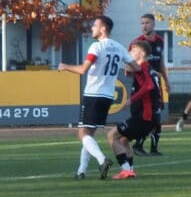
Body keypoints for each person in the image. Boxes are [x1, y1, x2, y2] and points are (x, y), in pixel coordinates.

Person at [58, 16, 139, 180]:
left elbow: (83, 69)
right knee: (89, 133)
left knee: (82, 134)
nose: (92, 28)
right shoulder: (119, 47)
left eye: (94, 25)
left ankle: (102, 160)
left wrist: (64, 66)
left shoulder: (96, 46)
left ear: (103, 29)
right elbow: (136, 67)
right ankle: (82, 171)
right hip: (108, 96)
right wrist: (124, 68)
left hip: (94, 94)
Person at [108, 41, 162, 179]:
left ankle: (125, 169)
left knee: (112, 136)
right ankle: (130, 170)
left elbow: (149, 86)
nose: (130, 53)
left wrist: (132, 99)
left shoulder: (143, 67)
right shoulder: (146, 68)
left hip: (145, 116)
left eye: (133, 51)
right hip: (151, 117)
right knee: (124, 140)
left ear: (142, 54)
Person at [130, 13, 168, 155]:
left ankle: (153, 147)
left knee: (156, 118)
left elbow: (161, 63)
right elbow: (129, 64)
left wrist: (166, 81)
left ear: (153, 24)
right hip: (142, 87)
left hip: (155, 87)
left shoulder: (160, 41)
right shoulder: (136, 43)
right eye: (142, 23)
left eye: (147, 23)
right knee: (147, 119)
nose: (144, 26)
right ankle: (137, 145)